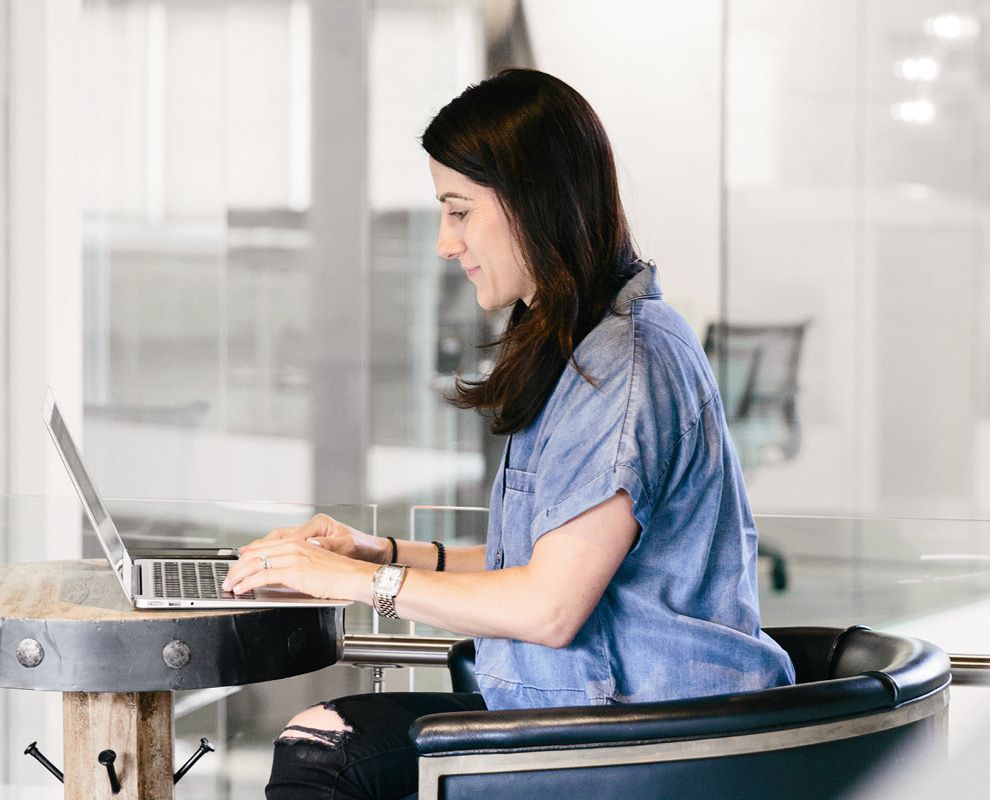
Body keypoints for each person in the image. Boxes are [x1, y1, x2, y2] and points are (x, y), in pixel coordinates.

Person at [222, 68, 795, 800]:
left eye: (459, 211)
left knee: (327, 752)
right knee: (327, 742)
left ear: (532, 202)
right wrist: (381, 550)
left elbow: (548, 609)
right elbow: (543, 565)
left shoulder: (625, 365)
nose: (443, 243)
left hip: (639, 737)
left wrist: (356, 583)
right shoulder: (586, 347)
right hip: (592, 715)